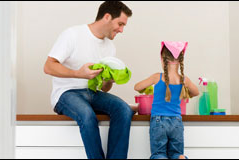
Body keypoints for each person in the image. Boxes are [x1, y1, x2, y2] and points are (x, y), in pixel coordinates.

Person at [43, 1, 135, 159]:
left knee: (124, 109)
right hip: (66, 93)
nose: (121, 30)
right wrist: (78, 74)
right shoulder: (73, 34)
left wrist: (109, 80)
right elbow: (48, 66)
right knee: (87, 115)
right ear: (107, 17)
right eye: (120, 24)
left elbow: (104, 89)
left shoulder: (109, 47)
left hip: (93, 93)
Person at [134, 41, 199, 159]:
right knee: (176, 154)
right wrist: (185, 93)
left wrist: (148, 87)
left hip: (159, 121)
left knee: (159, 154)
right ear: (180, 60)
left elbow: (137, 87)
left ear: (163, 59)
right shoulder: (184, 79)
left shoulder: (157, 77)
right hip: (176, 122)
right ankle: (181, 158)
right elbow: (196, 92)